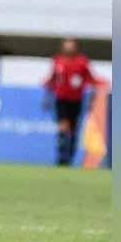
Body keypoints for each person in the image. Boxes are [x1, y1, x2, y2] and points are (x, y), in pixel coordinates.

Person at [44, 38, 97, 166]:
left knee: (73, 131)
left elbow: (91, 80)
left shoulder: (82, 62)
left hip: (76, 101)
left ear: (75, 47)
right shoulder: (57, 60)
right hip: (61, 99)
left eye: (71, 46)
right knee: (63, 128)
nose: (69, 48)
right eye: (67, 46)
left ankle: (70, 157)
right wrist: (47, 95)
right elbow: (52, 79)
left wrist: (92, 99)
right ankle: (61, 157)